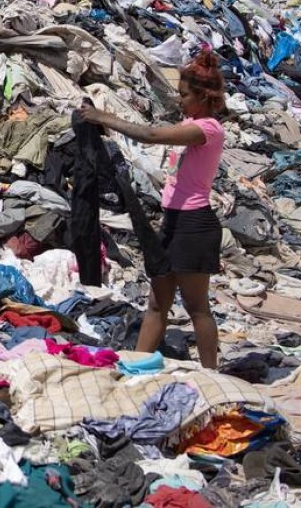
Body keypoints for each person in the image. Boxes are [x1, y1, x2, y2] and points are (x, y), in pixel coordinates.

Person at [77, 49, 227, 368]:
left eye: (185, 95)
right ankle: (135, 365)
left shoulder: (209, 129)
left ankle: (212, 373)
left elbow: (151, 135)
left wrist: (102, 117)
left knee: (197, 306)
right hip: (171, 223)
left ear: (203, 96)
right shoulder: (191, 121)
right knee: (157, 303)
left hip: (195, 225)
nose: (179, 101)